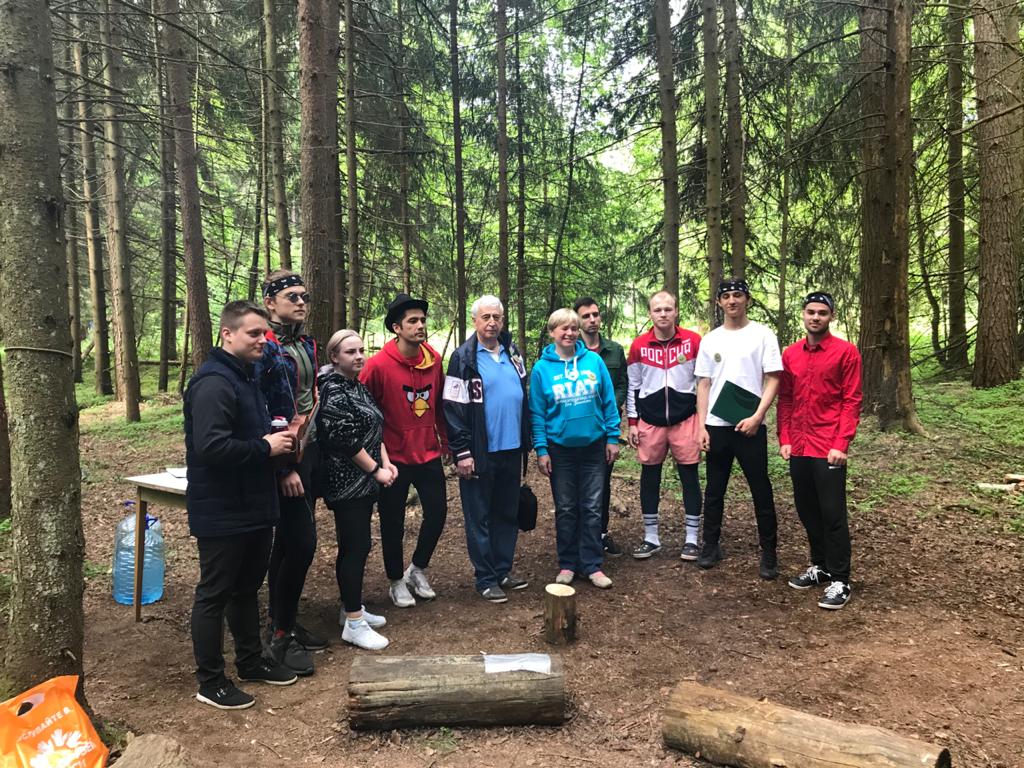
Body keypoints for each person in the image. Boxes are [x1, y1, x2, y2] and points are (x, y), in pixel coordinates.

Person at [184, 301, 299, 710]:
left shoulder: (247, 377)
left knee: (247, 588)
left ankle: (251, 662)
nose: (262, 340)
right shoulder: (213, 383)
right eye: (253, 333)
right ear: (227, 334)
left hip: (254, 504)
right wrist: (265, 447)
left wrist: (278, 441)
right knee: (215, 593)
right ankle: (211, 681)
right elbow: (211, 446)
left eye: (265, 333)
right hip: (222, 508)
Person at [360, 293, 449, 608]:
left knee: (438, 513)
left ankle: (417, 569)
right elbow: (363, 409)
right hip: (393, 458)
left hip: (428, 453)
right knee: (392, 522)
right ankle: (396, 579)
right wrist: (373, 455)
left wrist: (445, 440)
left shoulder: (433, 360)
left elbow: (439, 404)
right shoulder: (377, 366)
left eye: (422, 320)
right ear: (396, 328)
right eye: (412, 321)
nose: (420, 325)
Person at [443, 295, 531, 603]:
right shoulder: (463, 358)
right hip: (480, 452)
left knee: (506, 512)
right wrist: (462, 452)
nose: (492, 322)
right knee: (479, 516)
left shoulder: (512, 352)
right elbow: (452, 407)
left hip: (512, 448)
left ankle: (502, 569)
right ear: (475, 321)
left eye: (496, 317)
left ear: (503, 321)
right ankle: (485, 577)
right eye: (486, 317)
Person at [259, 269, 325, 677]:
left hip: (308, 449)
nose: (301, 303)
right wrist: (283, 468)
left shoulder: (306, 343)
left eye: (304, 296)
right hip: (283, 457)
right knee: (302, 543)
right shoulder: (263, 345)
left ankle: (283, 619)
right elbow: (269, 406)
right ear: (270, 303)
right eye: (292, 297)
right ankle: (280, 634)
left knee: (287, 542)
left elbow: (308, 397)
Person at [778, 292, 862, 609]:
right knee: (807, 509)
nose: (815, 317)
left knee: (832, 512)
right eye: (811, 312)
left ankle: (840, 579)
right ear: (803, 314)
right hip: (799, 445)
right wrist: (785, 437)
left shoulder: (846, 352)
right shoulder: (791, 354)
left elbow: (852, 401)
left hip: (828, 446)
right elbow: (786, 398)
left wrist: (842, 443)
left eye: (822, 313)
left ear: (831, 317)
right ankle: (821, 566)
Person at [695, 278, 783, 579]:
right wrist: (701, 425)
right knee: (714, 489)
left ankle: (769, 552)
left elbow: (773, 377)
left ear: (747, 299)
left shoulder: (762, 335)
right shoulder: (711, 340)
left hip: (750, 425)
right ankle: (710, 545)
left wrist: (758, 416)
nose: (732, 300)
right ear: (719, 302)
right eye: (726, 296)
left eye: (737, 295)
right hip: (717, 425)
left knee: (761, 489)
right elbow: (704, 383)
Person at [317, 329, 398, 648]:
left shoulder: (357, 385)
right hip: (346, 482)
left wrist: (386, 463)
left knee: (358, 546)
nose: (359, 356)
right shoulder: (333, 389)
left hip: (366, 480)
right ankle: (353, 622)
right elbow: (345, 439)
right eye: (350, 352)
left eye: (361, 350)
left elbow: (374, 428)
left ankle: (350, 608)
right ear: (334, 357)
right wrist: (376, 470)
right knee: (355, 546)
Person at [530, 308, 621, 588]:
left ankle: (592, 565)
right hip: (560, 450)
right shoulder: (542, 369)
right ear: (552, 333)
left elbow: (608, 401)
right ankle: (568, 563)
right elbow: (537, 413)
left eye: (573, 328)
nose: (569, 333)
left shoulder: (593, 361)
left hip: (594, 447)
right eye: (563, 328)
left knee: (593, 507)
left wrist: (613, 437)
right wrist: (541, 449)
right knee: (567, 508)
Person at [624, 291, 704, 561]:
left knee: (689, 477)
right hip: (650, 421)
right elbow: (634, 386)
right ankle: (651, 537)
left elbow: (703, 383)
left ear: (676, 311)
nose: (663, 314)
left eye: (668, 309)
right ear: (650, 314)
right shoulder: (639, 346)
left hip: (686, 419)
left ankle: (691, 539)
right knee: (650, 478)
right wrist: (632, 422)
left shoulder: (693, 341)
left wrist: (703, 422)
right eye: (657, 310)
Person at [574, 297, 628, 557]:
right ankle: (576, 536)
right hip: (577, 429)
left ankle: (601, 533)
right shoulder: (568, 349)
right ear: (577, 320)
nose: (592, 320)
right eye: (586, 316)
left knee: (602, 483)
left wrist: (607, 408)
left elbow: (622, 384)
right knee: (574, 485)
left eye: (595, 314)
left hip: (606, 429)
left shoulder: (614, 351)